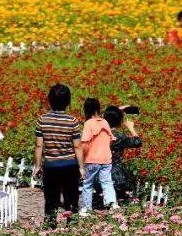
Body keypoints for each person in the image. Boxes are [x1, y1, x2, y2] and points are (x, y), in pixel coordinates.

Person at [33, 83, 85, 227]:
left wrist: (37, 165)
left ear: (49, 100)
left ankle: (50, 223)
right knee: (71, 197)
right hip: (70, 165)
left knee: (50, 198)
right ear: (68, 101)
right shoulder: (72, 121)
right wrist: (81, 167)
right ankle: (72, 223)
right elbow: (77, 146)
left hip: (50, 166)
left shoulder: (42, 120)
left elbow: (39, 145)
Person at [79, 98, 118, 213]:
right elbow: (111, 140)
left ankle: (86, 208)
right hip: (106, 159)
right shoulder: (105, 122)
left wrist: (81, 158)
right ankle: (112, 203)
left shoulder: (88, 123)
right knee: (107, 182)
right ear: (98, 108)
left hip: (92, 159)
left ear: (86, 110)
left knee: (87, 184)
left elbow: (85, 144)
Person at [104, 105, 142, 205]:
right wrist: (131, 128)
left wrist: (116, 110)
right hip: (116, 174)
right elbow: (138, 142)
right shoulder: (119, 136)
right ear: (120, 122)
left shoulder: (100, 133)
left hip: (98, 172)